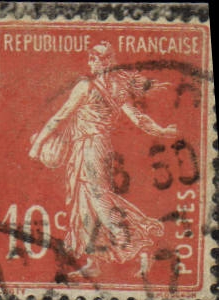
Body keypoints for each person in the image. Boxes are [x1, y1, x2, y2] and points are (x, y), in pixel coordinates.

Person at [28, 42, 177, 279]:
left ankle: (140, 245)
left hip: (90, 147)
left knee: (100, 202)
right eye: (91, 58)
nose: (90, 62)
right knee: (86, 202)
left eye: (94, 58)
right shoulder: (117, 88)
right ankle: (93, 260)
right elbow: (137, 118)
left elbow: (60, 117)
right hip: (96, 147)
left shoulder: (85, 86)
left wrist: (37, 145)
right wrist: (160, 130)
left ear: (104, 61)